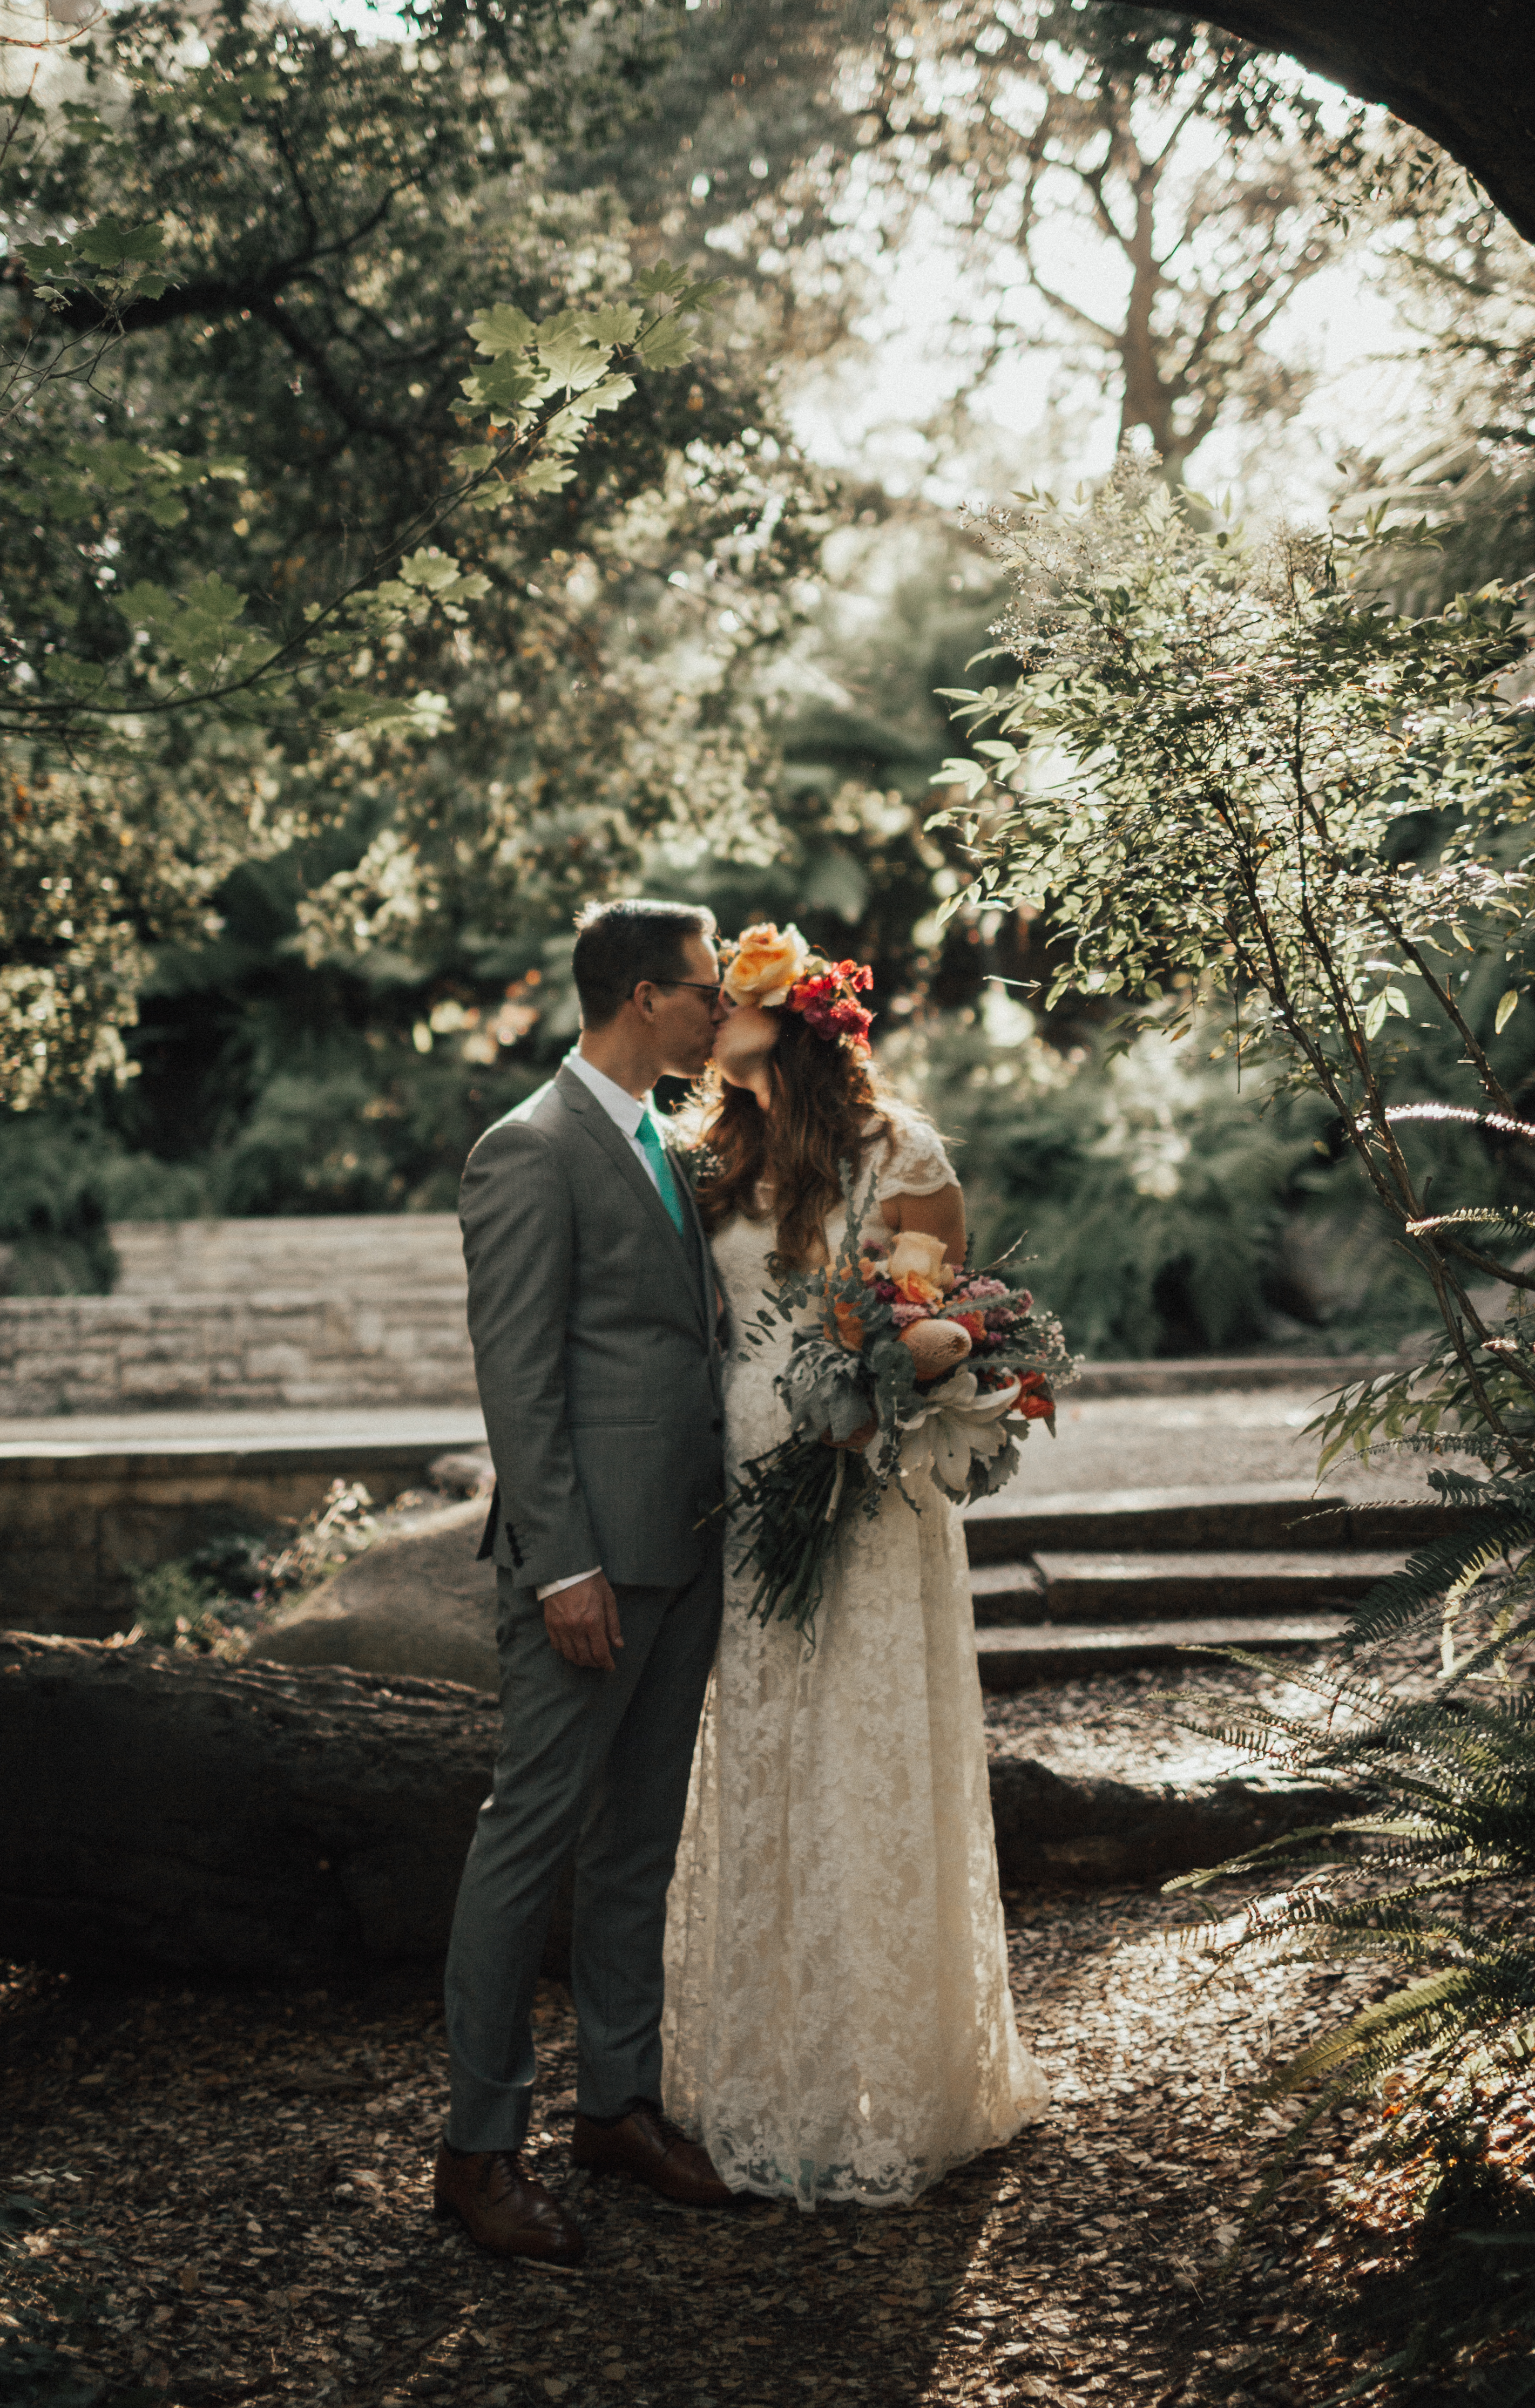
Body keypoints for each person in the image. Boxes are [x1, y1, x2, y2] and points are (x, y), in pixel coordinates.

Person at [661, 925, 1050, 2206]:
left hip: (864, 1496)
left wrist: (870, 1413)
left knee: (870, 1758)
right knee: (768, 1757)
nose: (713, 1011)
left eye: (735, 996)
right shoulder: (703, 1153)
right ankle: (765, 2074)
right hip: (741, 1496)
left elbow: (920, 1322)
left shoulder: (902, 1155)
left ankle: (899, 2077)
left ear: (796, 1020)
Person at [436, 897, 745, 2265]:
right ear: (637, 994)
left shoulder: (663, 1140)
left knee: (638, 1845)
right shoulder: (528, 1150)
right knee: (527, 1846)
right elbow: (519, 1380)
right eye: (703, 985)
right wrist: (562, 1560)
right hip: (586, 1571)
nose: (721, 1007)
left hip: (682, 1547)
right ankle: (475, 2150)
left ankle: (614, 2103)